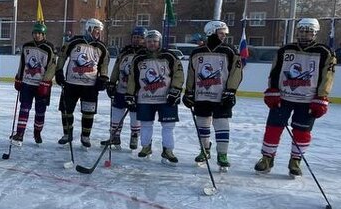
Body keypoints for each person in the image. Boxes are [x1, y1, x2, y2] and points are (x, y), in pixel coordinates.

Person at [255, 17, 336, 176]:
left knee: (302, 131)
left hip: (308, 99)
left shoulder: (324, 52)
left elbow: (328, 77)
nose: (304, 34)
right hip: (283, 97)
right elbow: (275, 71)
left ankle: (295, 160)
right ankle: (267, 158)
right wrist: (272, 90)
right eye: (302, 31)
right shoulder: (285, 49)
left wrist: (321, 97)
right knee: (273, 128)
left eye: (308, 31)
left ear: (315, 33)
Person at [183, 20, 243, 168]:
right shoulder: (197, 52)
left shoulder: (230, 50)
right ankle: (204, 150)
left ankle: (222, 154)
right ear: (211, 32)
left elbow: (236, 72)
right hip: (201, 95)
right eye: (221, 33)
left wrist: (231, 90)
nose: (223, 36)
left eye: (225, 33)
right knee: (202, 124)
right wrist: (189, 92)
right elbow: (191, 73)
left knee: (222, 124)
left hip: (221, 96)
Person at [124, 29, 184, 162]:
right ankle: (146, 147)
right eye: (149, 41)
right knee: (146, 124)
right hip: (145, 98)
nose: (152, 44)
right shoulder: (139, 58)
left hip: (166, 98)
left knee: (168, 126)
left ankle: (168, 150)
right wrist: (129, 94)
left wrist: (175, 90)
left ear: (160, 42)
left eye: (155, 41)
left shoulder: (170, 56)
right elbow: (133, 78)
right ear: (145, 42)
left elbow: (178, 75)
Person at [56, 18, 110, 148]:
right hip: (71, 84)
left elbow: (104, 64)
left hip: (90, 86)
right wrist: (59, 71)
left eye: (99, 31)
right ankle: (67, 134)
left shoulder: (101, 47)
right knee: (66, 110)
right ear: (89, 28)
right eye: (96, 30)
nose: (98, 33)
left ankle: (85, 136)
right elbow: (62, 55)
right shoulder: (74, 41)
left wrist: (103, 77)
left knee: (88, 112)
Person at [11, 21, 56, 144]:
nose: (37, 35)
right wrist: (19, 78)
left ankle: (37, 132)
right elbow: (22, 63)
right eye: (35, 33)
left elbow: (52, 67)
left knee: (40, 111)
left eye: (40, 33)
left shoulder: (49, 48)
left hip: (42, 85)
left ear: (44, 34)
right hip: (27, 83)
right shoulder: (26, 46)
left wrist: (46, 82)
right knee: (24, 108)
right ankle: (20, 133)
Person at [103, 26, 145, 150]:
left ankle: (134, 136)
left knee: (135, 114)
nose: (137, 40)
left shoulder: (145, 53)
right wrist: (112, 82)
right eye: (135, 37)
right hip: (122, 87)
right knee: (116, 112)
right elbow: (117, 67)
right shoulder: (125, 51)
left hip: (137, 92)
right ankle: (114, 136)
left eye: (140, 38)